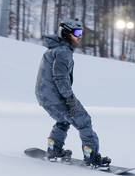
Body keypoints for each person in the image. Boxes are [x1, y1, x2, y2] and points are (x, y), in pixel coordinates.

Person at [35, 18, 111, 167]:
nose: (80, 36)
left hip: (45, 96)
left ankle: (53, 149)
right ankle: (92, 157)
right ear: (66, 33)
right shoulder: (63, 52)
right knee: (84, 122)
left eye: (81, 32)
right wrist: (70, 99)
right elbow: (60, 78)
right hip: (57, 96)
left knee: (63, 120)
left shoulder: (53, 49)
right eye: (77, 32)